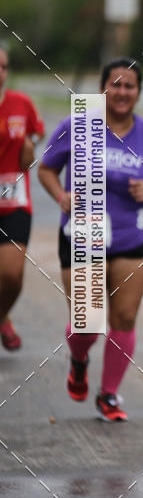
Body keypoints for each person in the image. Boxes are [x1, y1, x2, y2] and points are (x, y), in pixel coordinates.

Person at [38, 58, 143, 421]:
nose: (122, 92)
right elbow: (46, 169)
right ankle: (79, 359)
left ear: (138, 93)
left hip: (132, 237)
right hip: (84, 233)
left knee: (124, 318)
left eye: (129, 86)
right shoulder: (76, 126)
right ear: (102, 89)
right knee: (87, 322)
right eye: (115, 84)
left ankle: (109, 395)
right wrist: (61, 196)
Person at [0, 43, 45, 350]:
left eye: (3, 67)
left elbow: (37, 131)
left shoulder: (20, 102)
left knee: (12, 275)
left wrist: (30, 146)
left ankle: (2, 315)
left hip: (14, 201)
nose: (0, 72)